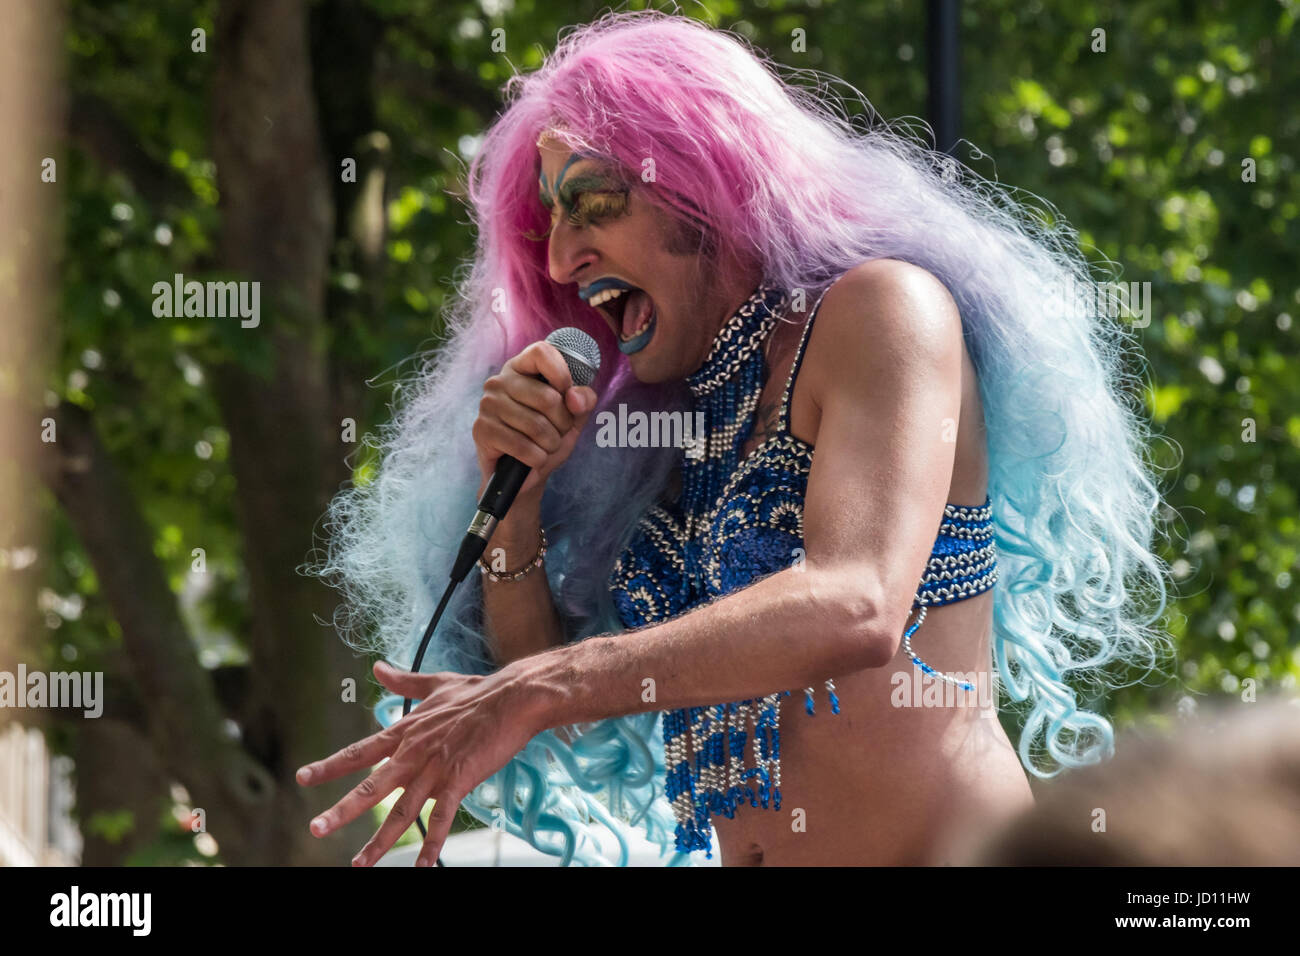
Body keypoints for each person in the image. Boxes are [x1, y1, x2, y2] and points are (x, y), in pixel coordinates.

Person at [297, 10, 1170, 867]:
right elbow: (577, 692)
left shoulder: (879, 310)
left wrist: (533, 691)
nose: (562, 259)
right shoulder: (670, 416)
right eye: (548, 225)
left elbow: (856, 602)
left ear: (700, 173)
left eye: (591, 201)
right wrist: (517, 510)